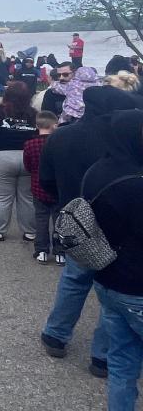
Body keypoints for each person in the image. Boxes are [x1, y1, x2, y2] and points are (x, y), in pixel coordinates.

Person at [38, 85, 142, 372]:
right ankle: (102, 356)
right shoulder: (123, 141)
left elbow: (45, 181)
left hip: (76, 220)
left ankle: (55, 334)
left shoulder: (62, 135)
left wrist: (67, 202)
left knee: (74, 280)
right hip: (118, 224)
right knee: (110, 290)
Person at [83, 110, 143, 410]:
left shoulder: (95, 171)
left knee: (121, 363)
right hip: (136, 284)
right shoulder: (135, 184)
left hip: (107, 277)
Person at [0, 81, 37, 241]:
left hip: (1, 157)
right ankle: (30, 231)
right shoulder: (34, 115)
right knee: (27, 197)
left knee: (2, 197)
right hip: (28, 157)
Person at [25, 111, 63, 265]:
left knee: (41, 219)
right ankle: (61, 252)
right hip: (57, 187)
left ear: (36, 126)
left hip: (38, 186)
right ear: (55, 125)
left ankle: (41, 251)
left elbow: (28, 166)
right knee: (59, 220)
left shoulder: (29, 144)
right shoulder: (60, 143)